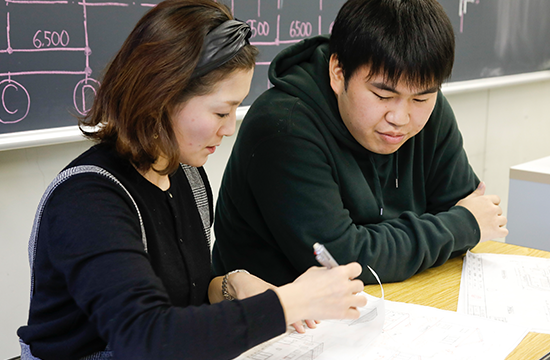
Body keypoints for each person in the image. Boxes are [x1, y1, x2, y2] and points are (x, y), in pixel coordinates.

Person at [16, 1, 367, 359]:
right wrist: (286, 303)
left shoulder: (188, 175)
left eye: (236, 109)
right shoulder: (87, 200)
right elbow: (145, 338)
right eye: (220, 111)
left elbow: (178, 302)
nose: (230, 128)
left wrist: (226, 287)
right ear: (162, 96)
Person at [212, 0, 509, 287]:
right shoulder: (283, 127)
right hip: (284, 324)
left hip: (398, 302)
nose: (400, 117)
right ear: (338, 73)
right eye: (382, 96)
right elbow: (344, 260)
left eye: (421, 98)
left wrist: (459, 225)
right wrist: (461, 225)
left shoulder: (430, 110)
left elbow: (470, 208)